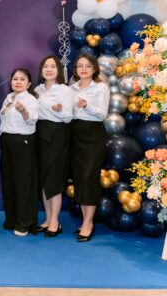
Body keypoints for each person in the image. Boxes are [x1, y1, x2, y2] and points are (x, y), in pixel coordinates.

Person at [70, 53, 109, 242]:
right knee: (79, 177)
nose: (83, 69)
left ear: (94, 68)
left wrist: (86, 106)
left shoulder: (101, 87)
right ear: (76, 69)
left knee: (88, 176)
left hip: (93, 135)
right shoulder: (71, 88)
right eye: (80, 66)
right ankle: (85, 221)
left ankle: (88, 223)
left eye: (87, 66)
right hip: (74, 134)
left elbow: (102, 114)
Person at [33, 55, 73, 238]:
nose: (48, 70)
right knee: (43, 179)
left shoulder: (65, 90)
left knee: (54, 179)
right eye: (45, 66)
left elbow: (68, 117)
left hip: (57, 135)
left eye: (52, 66)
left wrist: (60, 110)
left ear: (58, 70)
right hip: (39, 134)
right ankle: (48, 219)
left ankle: (55, 222)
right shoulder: (37, 90)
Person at [0, 68, 39, 236]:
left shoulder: (31, 99)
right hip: (6, 141)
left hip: (22, 142)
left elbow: (32, 120)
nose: (18, 82)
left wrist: (23, 111)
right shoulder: (9, 97)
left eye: (22, 79)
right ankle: (12, 219)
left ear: (29, 84)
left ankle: (25, 222)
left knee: (23, 183)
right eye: (15, 78)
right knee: (9, 182)